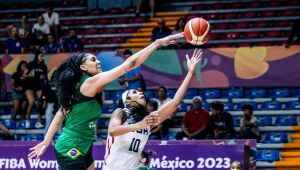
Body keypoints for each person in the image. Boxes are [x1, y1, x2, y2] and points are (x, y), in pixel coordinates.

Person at [28, 33, 184, 170]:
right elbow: (130, 64)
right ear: (83, 67)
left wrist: (46, 141)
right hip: (70, 146)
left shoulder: (81, 85)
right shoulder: (90, 83)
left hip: (85, 144)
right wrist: (156, 43)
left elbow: (61, 113)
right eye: (93, 60)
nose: (98, 62)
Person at [102, 48, 202, 170]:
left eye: (140, 92)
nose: (140, 93)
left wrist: (190, 72)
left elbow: (175, 102)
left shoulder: (148, 120)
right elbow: (113, 130)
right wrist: (140, 125)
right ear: (127, 101)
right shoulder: (121, 112)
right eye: (134, 92)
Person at [25, 50, 48, 129]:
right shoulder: (31, 64)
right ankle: (27, 120)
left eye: (43, 56)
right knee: (31, 101)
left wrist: (43, 77)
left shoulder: (43, 66)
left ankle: (39, 121)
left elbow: (45, 77)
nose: (42, 57)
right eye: (41, 56)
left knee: (41, 102)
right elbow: (24, 74)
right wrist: (30, 75)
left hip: (38, 87)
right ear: (37, 56)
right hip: (29, 86)